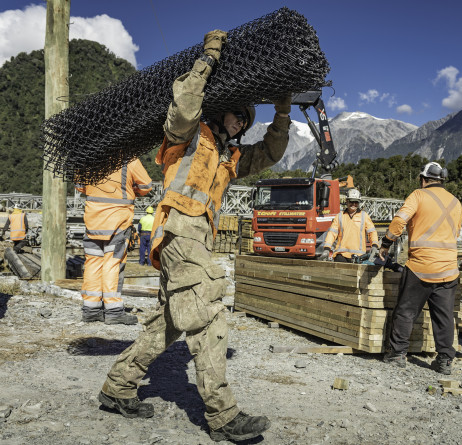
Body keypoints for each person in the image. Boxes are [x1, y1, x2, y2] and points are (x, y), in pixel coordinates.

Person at [98, 30, 292, 443]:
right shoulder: (188, 134)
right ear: (220, 112)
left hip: (194, 236)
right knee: (208, 315)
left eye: (245, 119)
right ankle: (222, 416)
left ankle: (118, 388)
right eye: (235, 114)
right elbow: (184, 104)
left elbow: (272, 153)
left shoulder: (231, 156)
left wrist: (282, 112)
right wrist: (208, 59)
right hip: (180, 229)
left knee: (168, 323)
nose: (239, 121)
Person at [380, 162, 462, 375]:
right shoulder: (456, 202)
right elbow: (456, 234)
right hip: (448, 270)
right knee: (444, 317)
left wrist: (386, 244)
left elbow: (399, 220)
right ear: (441, 180)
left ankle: (398, 354)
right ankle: (444, 361)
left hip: (421, 267)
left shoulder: (418, 195)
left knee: (406, 312)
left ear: (423, 179)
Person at [75, 159, 152, 325]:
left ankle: (91, 309)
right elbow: (146, 186)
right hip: (117, 221)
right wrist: (129, 190)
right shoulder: (129, 160)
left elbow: (80, 186)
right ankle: (113, 311)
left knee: (93, 263)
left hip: (93, 220)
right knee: (113, 264)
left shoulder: (89, 158)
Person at [319, 188, 379, 262]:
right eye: (351, 201)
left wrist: (374, 246)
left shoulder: (364, 216)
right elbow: (332, 233)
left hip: (359, 256)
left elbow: (372, 232)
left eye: (356, 202)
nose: (353, 204)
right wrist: (327, 249)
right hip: (341, 255)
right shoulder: (340, 216)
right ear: (347, 201)